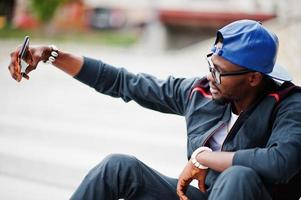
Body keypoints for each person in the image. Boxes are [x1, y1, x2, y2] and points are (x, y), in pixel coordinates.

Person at [8, 19, 301, 200]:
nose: (210, 76)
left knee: (239, 176)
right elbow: (124, 82)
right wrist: (52, 55)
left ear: (253, 78)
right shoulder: (199, 93)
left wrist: (205, 158)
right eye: (209, 64)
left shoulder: (289, 104)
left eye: (220, 71)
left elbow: (281, 162)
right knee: (118, 167)